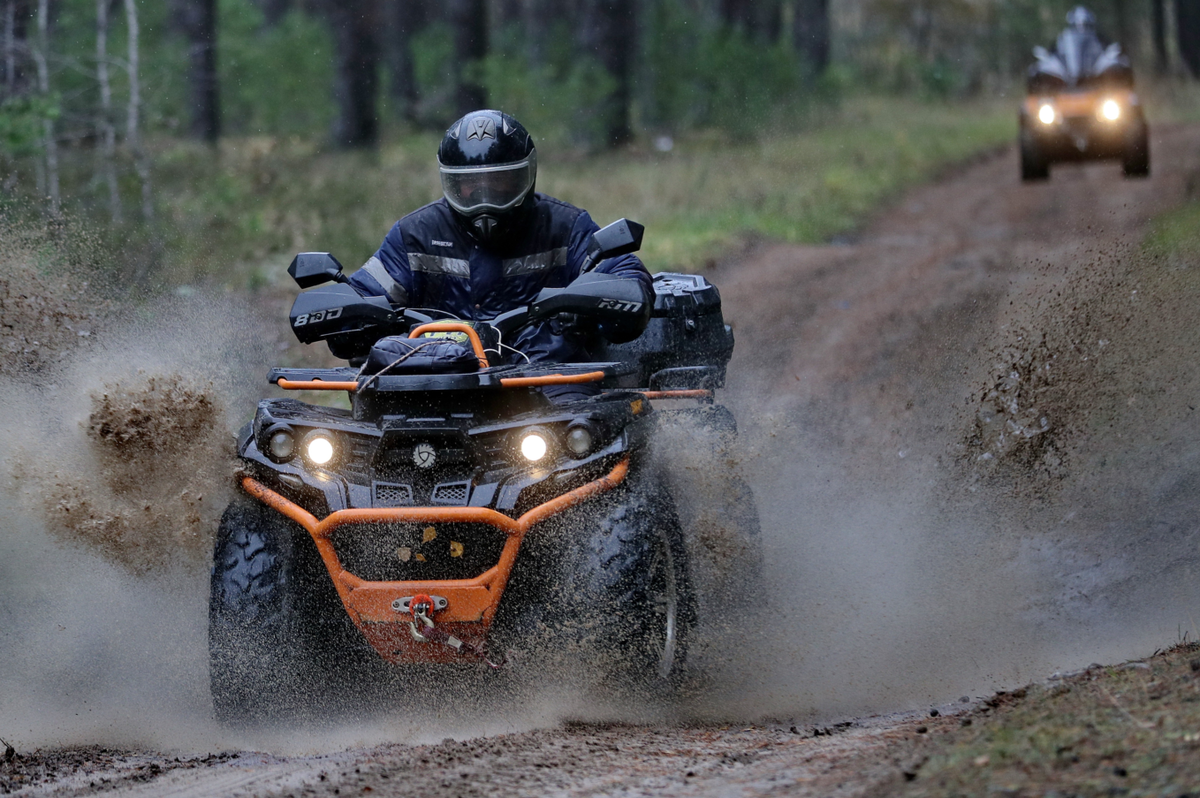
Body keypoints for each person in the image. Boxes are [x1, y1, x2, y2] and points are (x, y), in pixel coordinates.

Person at [348, 109, 652, 372]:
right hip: (438, 380)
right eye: (469, 185)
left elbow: (622, 272)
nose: (483, 197)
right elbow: (364, 294)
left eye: (499, 182)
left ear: (526, 176)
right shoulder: (415, 233)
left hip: (546, 377)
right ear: (450, 183)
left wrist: (587, 302)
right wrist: (347, 314)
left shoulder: (566, 227)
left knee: (588, 427)